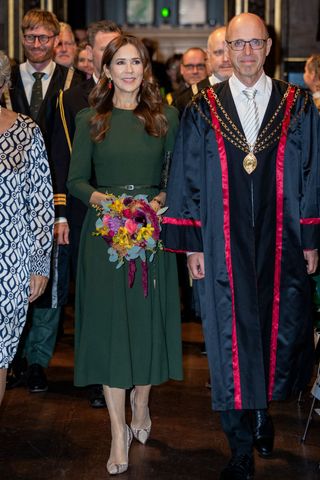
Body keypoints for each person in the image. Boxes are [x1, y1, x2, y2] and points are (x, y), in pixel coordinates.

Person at [162, 13, 320, 480]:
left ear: (268, 47)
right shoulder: (203, 107)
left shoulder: (297, 104)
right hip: (220, 240)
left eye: (255, 44)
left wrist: (310, 237)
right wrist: (193, 245)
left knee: (276, 330)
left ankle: (260, 412)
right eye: (238, 44)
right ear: (226, 50)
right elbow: (188, 178)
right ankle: (238, 446)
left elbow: (312, 173)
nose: (247, 52)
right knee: (228, 335)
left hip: (282, 238)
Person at [67, 34, 183, 475]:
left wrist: (154, 206)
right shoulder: (89, 119)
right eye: (121, 63)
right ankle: (117, 431)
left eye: (136, 62)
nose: (130, 70)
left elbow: (177, 177)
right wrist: (111, 206)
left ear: (144, 69)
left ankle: (142, 400)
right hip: (105, 238)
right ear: (107, 69)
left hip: (151, 237)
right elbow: (76, 180)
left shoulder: (166, 117)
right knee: (114, 333)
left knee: (146, 326)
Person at [4, 9, 84, 393]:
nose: (37, 45)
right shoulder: (7, 79)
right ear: (22, 38)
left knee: (51, 279)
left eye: (44, 38)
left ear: (56, 40)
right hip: (11, 199)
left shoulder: (73, 82)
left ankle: (38, 359)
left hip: (57, 195)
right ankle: (12, 358)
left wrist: (62, 209)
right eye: (30, 37)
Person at [52, 19, 122, 409]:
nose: (112, 55)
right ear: (90, 53)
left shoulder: (138, 92)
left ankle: (124, 369)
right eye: (104, 48)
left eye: (118, 46)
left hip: (130, 212)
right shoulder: (69, 98)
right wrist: (60, 213)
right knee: (91, 300)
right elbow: (60, 160)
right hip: (84, 212)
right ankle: (97, 375)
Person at [0, 51, 54, 406]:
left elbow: (41, 204)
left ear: (3, 83)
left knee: (0, 359)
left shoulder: (24, 130)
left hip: (10, 264)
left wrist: (38, 264)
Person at [171, 47, 208, 114]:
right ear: (182, 69)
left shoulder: (216, 94)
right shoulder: (171, 99)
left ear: (208, 67)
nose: (195, 71)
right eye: (189, 67)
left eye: (200, 66)